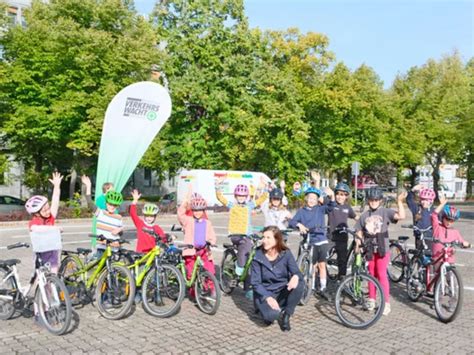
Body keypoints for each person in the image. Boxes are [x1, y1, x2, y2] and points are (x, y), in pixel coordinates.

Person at [355, 187, 407, 316]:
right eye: (371, 200)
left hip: (382, 247)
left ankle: (386, 302)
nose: (373, 202)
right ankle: (372, 299)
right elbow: (359, 230)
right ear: (368, 201)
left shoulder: (385, 212)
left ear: (380, 201)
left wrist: (399, 201)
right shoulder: (365, 215)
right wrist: (358, 242)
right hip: (369, 248)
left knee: (382, 274)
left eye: (376, 200)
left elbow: (401, 216)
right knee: (371, 274)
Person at [215, 176, 268, 299]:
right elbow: (220, 197)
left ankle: (247, 287)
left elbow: (262, 199)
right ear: (235, 196)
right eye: (239, 196)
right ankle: (239, 266)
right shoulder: (232, 205)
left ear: (247, 197)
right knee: (245, 247)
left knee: (250, 259)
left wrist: (265, 187)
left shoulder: (249, 205)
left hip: (246, 234)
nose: (241, 198)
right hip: (235, 235)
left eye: (243, 196)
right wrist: (218, 185)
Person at [251, 226, 304, 331]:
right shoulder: (257, 256)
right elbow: (256, 283)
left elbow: (297, 272)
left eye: (268, 238)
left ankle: (286, 315)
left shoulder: (286, 253)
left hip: (282, 290)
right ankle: (265, 309)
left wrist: (296, 276)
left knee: (300, 282)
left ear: (277, 239)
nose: (264, 241)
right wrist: (268, 297)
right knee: (270, 317)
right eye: (263, 237)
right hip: (266, 293)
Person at [288, 186, 335, 300]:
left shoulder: (320, 209)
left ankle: (323, 287)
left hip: (320, 239)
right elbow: (292, 222)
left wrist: (332, 196)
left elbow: (331, 207)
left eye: (314, 198)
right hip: (309, 241)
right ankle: (311, 287)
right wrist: (299, 225)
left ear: (318, 200)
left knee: (322, 265)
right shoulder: (301, 211)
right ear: (306, 198)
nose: (312, 200)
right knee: (312, 265)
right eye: (310, 198)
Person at [177, 191, 217, 290]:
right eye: (195, 210)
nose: (197, 213)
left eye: (200, 210)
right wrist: (185, 202)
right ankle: (193, 291)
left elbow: (212, 234)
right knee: (191, 273)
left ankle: (209, 289)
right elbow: (180, 215)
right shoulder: (189, 221)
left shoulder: (207, 222)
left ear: (204, 211)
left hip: (204, 251)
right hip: (191, 252)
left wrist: (211, 242)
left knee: (210, 270)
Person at [25, 172, 63, 274]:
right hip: (41, 256)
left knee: (54, 276)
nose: (48, 211)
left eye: (48, 208)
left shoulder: (50, 217)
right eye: (44, 210)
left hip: (53, 254)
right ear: (37, 213)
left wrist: (56, 186)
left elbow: (55, 201)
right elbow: (35, 228)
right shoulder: (34, 222)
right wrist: (54, 228)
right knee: (41, 278)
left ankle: (53, 289)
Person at [82, 176, 123, 258]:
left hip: (114, 249)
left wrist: (120, 230)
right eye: (110, 204)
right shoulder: (101, 213)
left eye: (115, 205)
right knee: (99, 266)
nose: (112, 206)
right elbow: (90, 203)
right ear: (106, 203)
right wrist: (89, 186)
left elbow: (121, 233)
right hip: (102, 247)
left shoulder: (118, 217)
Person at [431, 196, 470, 271]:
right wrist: (443, 204)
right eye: (447, 219)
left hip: (449, 258)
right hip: (437, 257)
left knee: (450, 276)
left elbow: (461, 242)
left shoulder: (455, 232)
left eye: (452, 221)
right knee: (436, 275)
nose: (449, 222)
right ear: (443, 217)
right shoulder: (437, 227)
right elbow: (434, 215)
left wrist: (465, 244)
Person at [328, 182, 357, 279]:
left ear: (346, 197)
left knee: (342, 260)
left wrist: (366, 222)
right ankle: (322, 277)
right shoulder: (331, 204)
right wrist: (317, 182)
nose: (340, 197)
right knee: (323, 257)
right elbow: (318, 198)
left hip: (342, 237)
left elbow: (356, 217)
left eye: (343, 195)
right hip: (330, 236)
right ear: (335, 194)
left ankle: (342, 279)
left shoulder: (347, 207)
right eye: (338, 194)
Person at [406, 184, 435, 249]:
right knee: (418, 254)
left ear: (431, 201)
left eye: (426, 200)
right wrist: (413, 190)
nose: (424, 202)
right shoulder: (417, 208)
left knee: (429, 254)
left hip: (430, 236)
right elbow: (409, 200)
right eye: (422, 200)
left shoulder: (433, 210)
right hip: (419, 235)